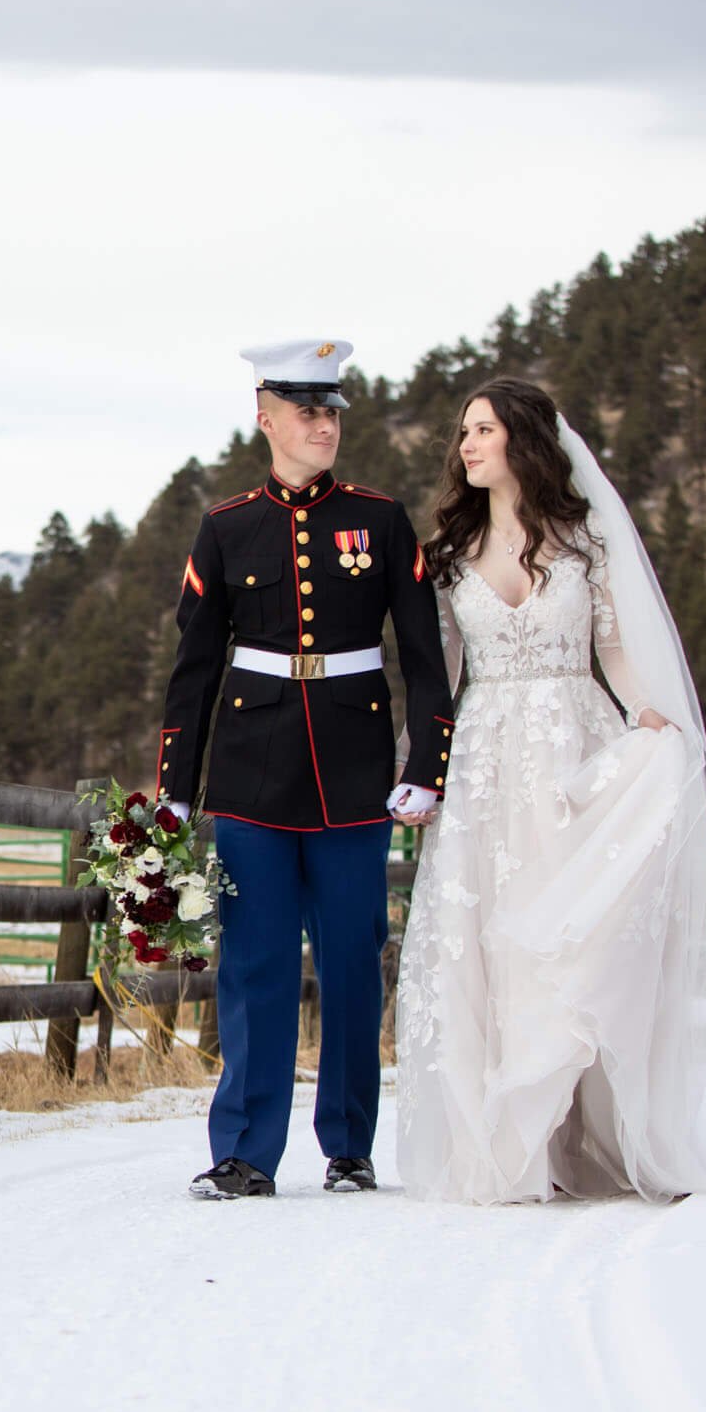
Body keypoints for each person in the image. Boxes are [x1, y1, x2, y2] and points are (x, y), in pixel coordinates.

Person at [393, 377, 706, 1202]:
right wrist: (424, 772)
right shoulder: (448, 556)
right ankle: (507, 1145)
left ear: (522, 441)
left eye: (483, 430)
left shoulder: (584, 542)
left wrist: (650, 719)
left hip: (574, 751)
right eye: (464, 433)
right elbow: (440, 678)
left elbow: (617, 652)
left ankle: (592, 1135)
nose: (467, 446)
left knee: (573, 940)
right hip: (488, 762)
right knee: (490, 941)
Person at [158, 338, 453, 1199]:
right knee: (253, 961)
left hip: (357, 771)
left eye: (331, 410)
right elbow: (195, 669)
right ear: (267, 418)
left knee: (354, 960)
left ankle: (350, 1143)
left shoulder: (382, 518)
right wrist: (176, 790)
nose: (324, 424)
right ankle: (246, 1151)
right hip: (251, 772)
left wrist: (426, 762)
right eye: (307, 410)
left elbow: (426, 657)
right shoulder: (225, 526)